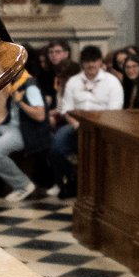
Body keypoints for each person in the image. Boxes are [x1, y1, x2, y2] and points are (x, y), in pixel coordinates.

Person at [51, 45, 124, 187]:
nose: (91, 65)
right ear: (82, 63)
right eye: (87, 61)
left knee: (98, 154)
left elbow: (114, 111)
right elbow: (66, 108)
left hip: (103, 128)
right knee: (56, 148)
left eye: (94, 61)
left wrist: (96, 128)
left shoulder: (112, 82)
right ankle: (70, 181)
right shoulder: (73, 82)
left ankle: (97, 186)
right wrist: (77, 125)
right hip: (76, 126)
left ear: (100, 61)